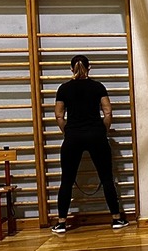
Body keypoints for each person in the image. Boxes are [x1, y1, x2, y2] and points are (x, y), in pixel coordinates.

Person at [51, 54, 128, 233]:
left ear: (71, 69)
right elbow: (108, 112)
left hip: (73, 137)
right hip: (96, 135)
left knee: (66, 181)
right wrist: (102, 131)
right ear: (89, 68)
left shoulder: (64, 88)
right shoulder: (98, 87)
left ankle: (61, 223)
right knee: (107, 178)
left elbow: (59, 115)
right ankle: (116, 218)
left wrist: (68, 132)